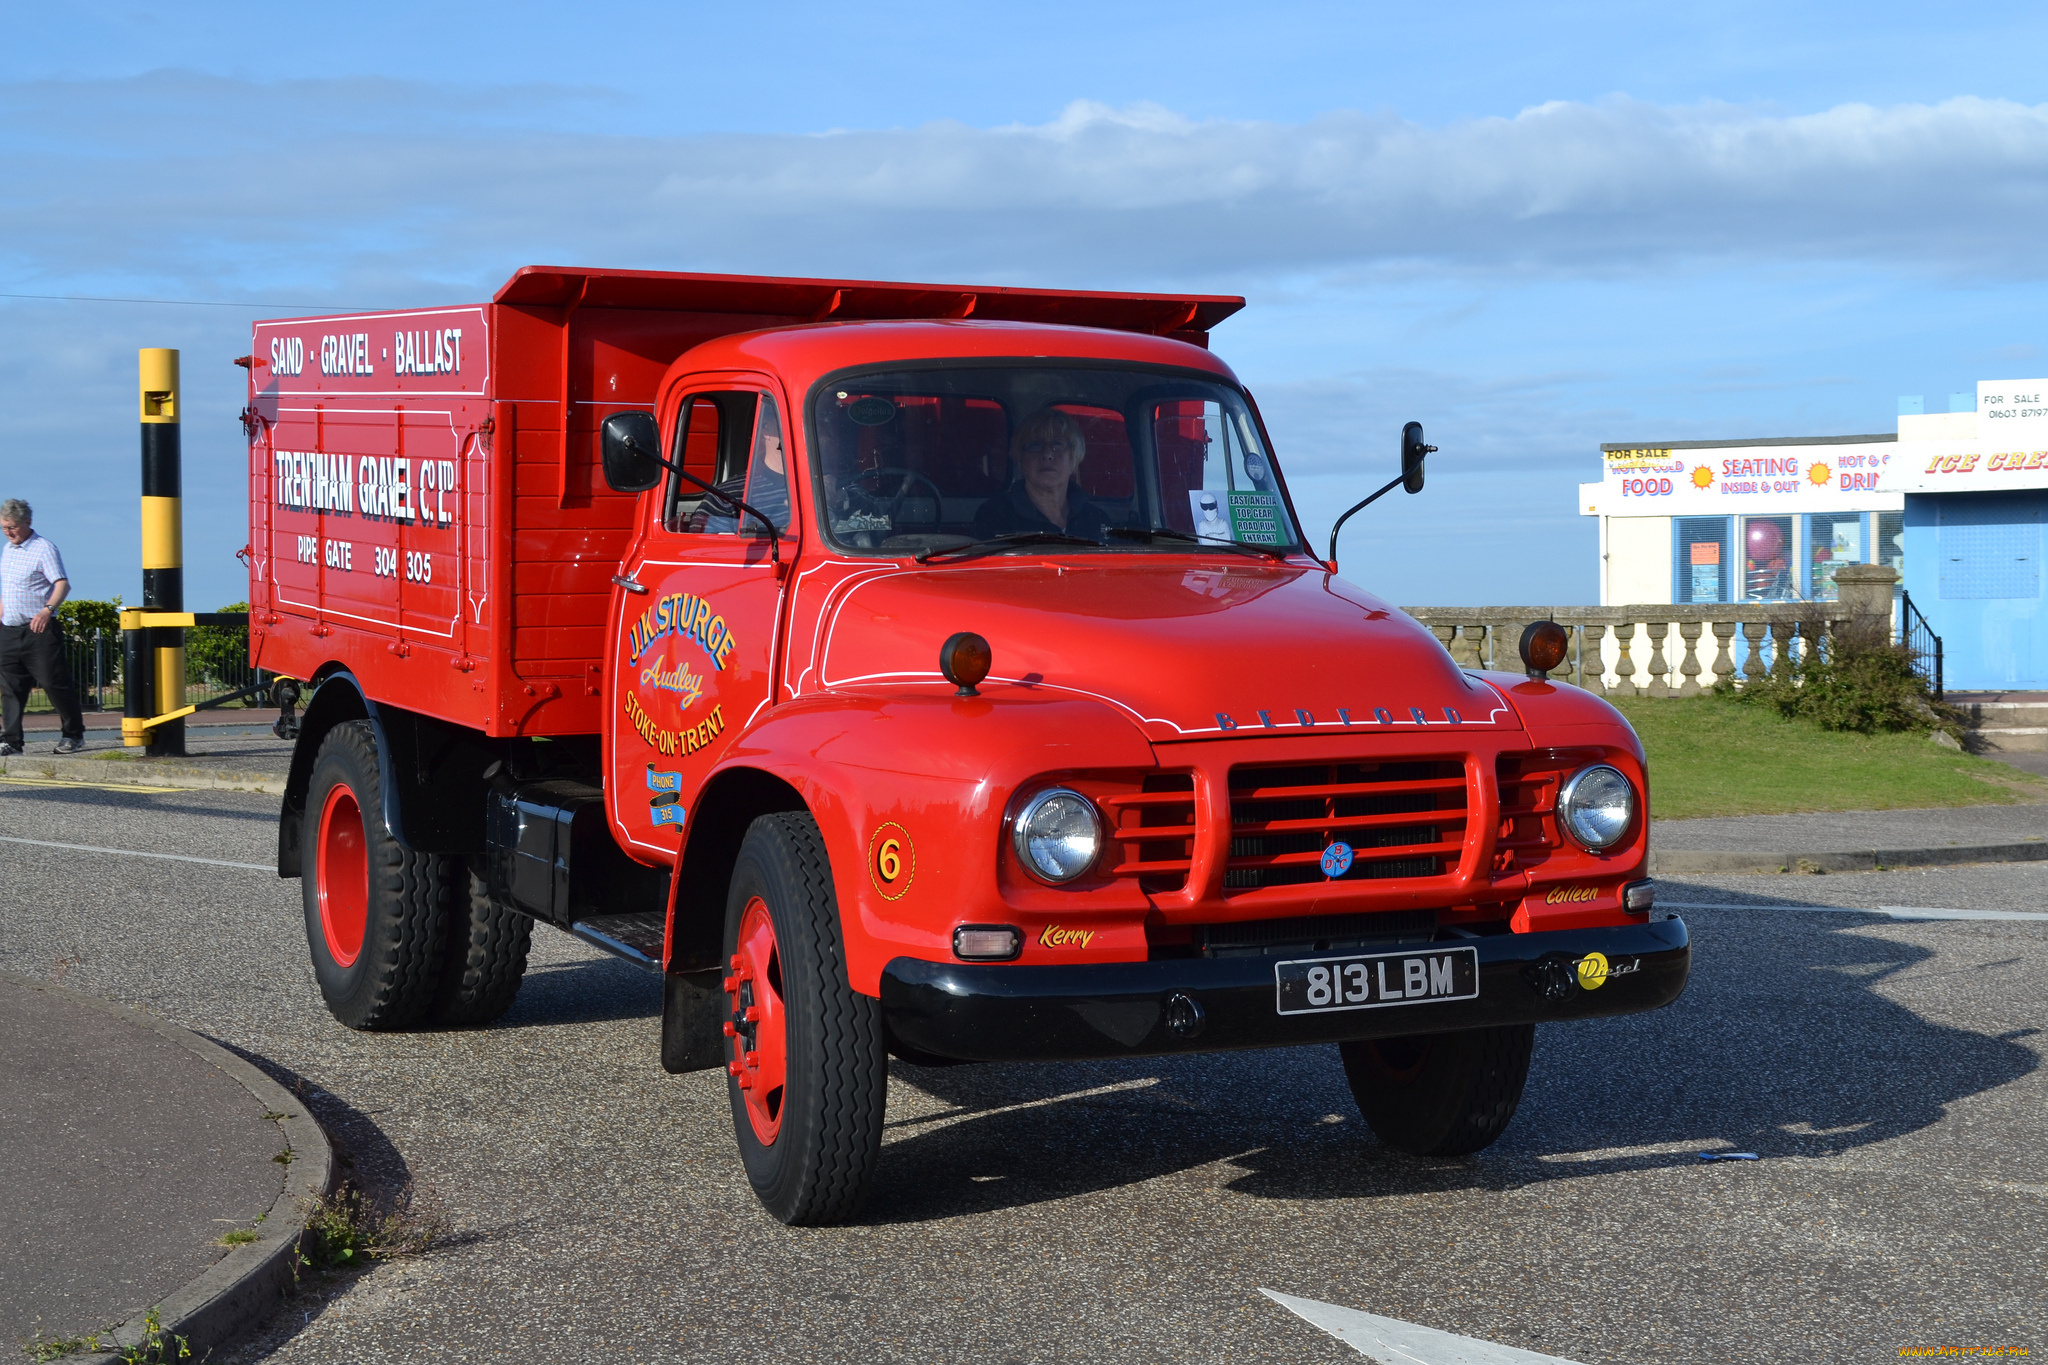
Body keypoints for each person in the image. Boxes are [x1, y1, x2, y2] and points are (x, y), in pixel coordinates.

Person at [0, 499, 86, 755]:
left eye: (13, 527)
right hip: (10, 630)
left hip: (38, 630)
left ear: (28, 522)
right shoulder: (8, 549)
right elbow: (9, 588)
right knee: (11, 688)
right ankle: (12, 741)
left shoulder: (44, 548)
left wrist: (47, 611)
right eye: (4, 527)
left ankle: (73, 734)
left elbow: (62, 584)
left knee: (53, 683)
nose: (8, 532)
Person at [970, 407, 1111, 541]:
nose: (1047, 454)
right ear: (1021, 459)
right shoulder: (994, 515)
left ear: (1074, 458)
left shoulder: (1097, 520)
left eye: (1057, 444)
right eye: (1035, 445)